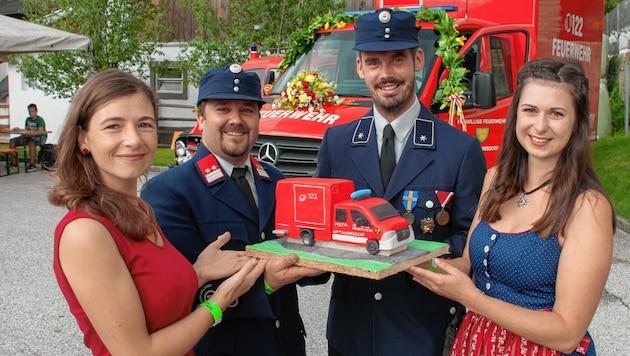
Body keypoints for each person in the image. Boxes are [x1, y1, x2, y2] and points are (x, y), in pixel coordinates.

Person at [49, 68, 265, 356]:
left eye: (144, 125)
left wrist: (198, 271)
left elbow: (154, 296)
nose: (134, 139)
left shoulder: (139, 209)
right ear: (83, 139)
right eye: (114, 126)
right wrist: (219, 302)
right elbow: (138, 352)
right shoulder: (86, 232)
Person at [407, 58, 615, 355]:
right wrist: (415, 263)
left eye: (556, 113)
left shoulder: (587, 207)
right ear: (516, 114)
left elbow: (568, 333)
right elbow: (469, 263)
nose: (540, 126)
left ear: (576, 123)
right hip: (477, 344)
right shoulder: (496, 179)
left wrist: (473, 299)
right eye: (530, 110)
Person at [315, 8, 487, 356]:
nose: (387, 74)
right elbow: (322, 229)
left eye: (397, 60)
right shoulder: (336, 143)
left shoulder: (460, 149)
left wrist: (421, 259)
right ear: (360, 67)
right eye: (374, 63)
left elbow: (470, 239)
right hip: (352, 336)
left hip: (421, 333)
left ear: (418, 60)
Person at [141, 64, 323, 355]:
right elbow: (177, 294)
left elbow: (306, 253)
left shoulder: (278, 182)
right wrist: (266, 284)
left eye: (247, 110)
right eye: (223, 109)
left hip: (285, 345)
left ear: (258, 118)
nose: (236, 120)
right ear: (200, 117)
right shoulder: (169, 192)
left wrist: (326, 255)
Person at [10, 103, 47, 171]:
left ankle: (32, 164)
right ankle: (14, 163)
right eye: (29, 111)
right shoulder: (28, 119)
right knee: (12, 141)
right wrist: (22, 136)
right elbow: (26, 130)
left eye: (32, 111)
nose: (31, 113)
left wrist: (30, 136)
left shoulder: (40, 120)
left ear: (36, 111)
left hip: (40, 137)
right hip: (29, 136)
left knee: (31, 142)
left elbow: (40, 132)